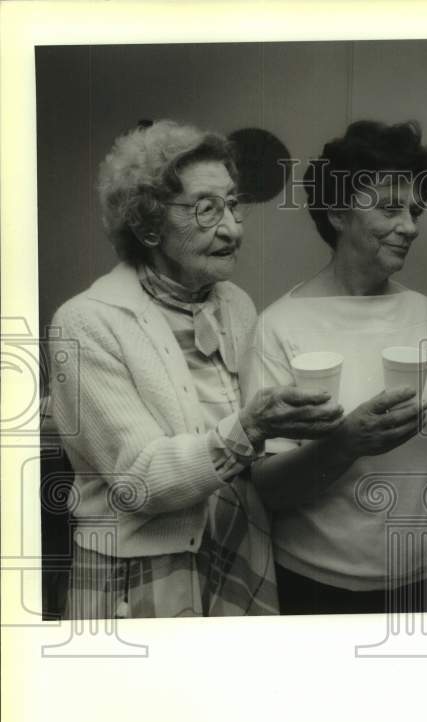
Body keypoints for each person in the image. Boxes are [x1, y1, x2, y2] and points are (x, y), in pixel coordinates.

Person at [49, 120, 343, 619]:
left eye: (233, 204)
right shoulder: (86, 322)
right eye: (206, 210)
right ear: (147, 225)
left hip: (238, 551)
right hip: (140, 574)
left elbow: (255, 453)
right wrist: (251, 426)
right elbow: (139, 481)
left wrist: (301, 429)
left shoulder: (236, 304)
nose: (232, 228)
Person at [241, 120, 427, 615]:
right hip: (319, 586)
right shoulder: (280, 325)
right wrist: (346, 442)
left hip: (422, 580)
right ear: (337, 211)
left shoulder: (422, 310)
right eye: (389, 208)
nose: (411, 226)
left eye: (414, 210)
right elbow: (267, 488)